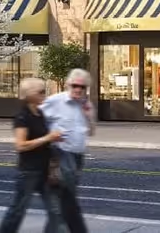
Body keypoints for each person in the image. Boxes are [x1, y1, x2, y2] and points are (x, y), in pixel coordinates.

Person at [0, 78, 62, 233]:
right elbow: (21, 145)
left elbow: (47, 142)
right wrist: (48, 138)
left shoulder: (40, 114)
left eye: (44, 91)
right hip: (29, 172)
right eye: (40, 92)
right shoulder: (22, 117)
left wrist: (53, 167)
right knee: (17, 211)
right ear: (29, 95)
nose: (44, 95)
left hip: (45, 171)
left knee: (56, 210)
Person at [41, 69, 94, 233]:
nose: (78, 89)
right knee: (66, 200)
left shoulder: (86, 105)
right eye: (74, 85)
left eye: (82, 87)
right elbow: (36, 121)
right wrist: (48, 139)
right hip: (60, 155)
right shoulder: (55, 101)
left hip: (78, 157)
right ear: (67, 85)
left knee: (66, 201)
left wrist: (88, 116)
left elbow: (91, 131)